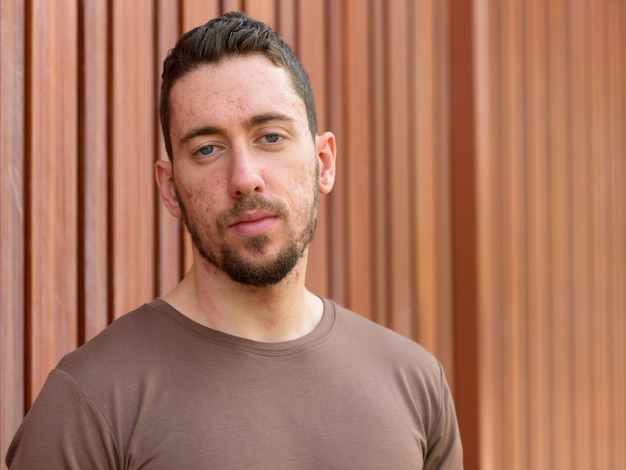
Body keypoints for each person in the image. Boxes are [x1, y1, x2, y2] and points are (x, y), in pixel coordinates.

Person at [6, 11, 462, 469]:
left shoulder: (415, 384)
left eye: (270, 137)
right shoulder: (92, 403)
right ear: (170, 189)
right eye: (207, 149)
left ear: (324, 162)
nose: (245, 178)